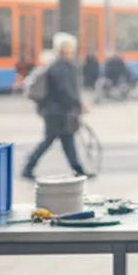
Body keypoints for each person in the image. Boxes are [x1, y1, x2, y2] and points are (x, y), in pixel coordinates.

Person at [23, 35, 90, 179]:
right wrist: (78, 104)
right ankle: (28, 167)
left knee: (67, 140)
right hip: (57, 112)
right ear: (66, 49)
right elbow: (64, 90)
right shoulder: (61, 66)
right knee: (49, 140)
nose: (74, 51)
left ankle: (78, 170)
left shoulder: (57, 64)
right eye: (72, 48)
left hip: (57, 111)